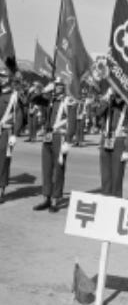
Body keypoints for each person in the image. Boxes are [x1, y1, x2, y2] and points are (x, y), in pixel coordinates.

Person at [32, 80, 71, 213]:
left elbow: (72, 122)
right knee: (46, 168)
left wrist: (68, 141)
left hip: (60, 136)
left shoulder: (68, 101)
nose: (58, 87)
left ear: (64, 86)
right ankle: (46, 197)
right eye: (56, 84)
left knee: (58, 170)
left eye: (60, 85)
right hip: (47, 136)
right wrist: (44, 90)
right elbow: (33, 99)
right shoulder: (50, 99)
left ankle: (56, 199)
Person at [97, 89, 128, 197]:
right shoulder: (108, 104)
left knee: (117, 175)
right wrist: (106, 99)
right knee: (105, 174)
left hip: (119, 141)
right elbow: (98, 113)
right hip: (106, 139)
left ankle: (116, 200)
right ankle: (105, 197)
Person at [0, 70, 18, 204]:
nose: (1, 79)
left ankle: (1, 188)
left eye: (4, 76)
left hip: (6, 132)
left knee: (3, 160)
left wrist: (15, 133)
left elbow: (19, 115)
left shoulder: (14, 95)